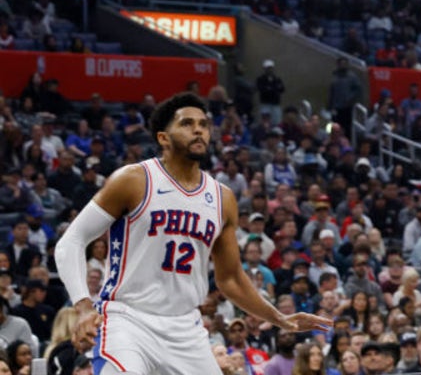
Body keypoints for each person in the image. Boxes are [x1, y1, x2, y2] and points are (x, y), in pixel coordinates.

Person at [53, 92, 331, 375]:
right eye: (187, 123)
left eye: (203, 124)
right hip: (128, 319)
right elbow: (71, 241)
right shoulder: (134, 180)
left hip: (186, 328)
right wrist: (84, 307)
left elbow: (230, 278)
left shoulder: (222, 198)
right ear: (163, 138)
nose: (198, 130)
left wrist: (279, 318)